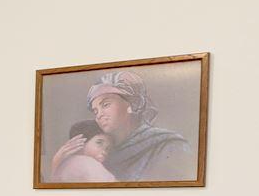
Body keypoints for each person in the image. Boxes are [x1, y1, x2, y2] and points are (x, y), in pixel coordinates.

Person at [49, 70, 191, 182]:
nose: (98, 115)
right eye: (95, 110)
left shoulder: (169, 146)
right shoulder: (102, 153)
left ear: (131, 103)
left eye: (106, 105)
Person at [48, 119, 117, 182]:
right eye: (99, 143)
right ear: (80, 142)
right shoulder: (88, 162)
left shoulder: (64, 163)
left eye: (107, 148)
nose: (104, 151)